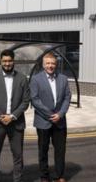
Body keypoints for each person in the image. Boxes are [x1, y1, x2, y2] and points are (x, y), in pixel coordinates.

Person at [0, 49, 30, 182]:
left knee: (18, 155)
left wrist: (12, 116)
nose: (7, 63)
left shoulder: (22, 78)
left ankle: (17, 179)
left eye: (9, 61)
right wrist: (0, 116)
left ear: (13, 61)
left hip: (16, 122)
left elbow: (26, 101)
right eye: (4, 61)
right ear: (0, 61)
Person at [30, 53, 71, 182]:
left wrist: (60, 114)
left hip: (60, 121)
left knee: (60, 150)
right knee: (43, 150)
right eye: (47, 63)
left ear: (56, 64)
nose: (50, 66)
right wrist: (50, 114)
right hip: (43, 121)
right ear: (43, 65)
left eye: (53, 63)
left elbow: (67, 97)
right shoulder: (36, 79)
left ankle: (59, 175)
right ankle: (44, 176)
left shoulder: (63, 79)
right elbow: (35, 100)